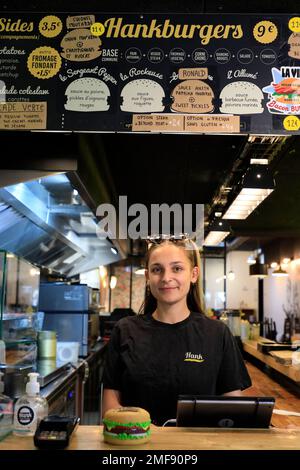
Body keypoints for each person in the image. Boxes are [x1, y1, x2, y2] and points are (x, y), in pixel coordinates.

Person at [102, 236, 251, 425]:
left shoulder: (217, 334)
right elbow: (109, 405)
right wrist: (139, 430)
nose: (166, 278)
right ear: (148, 276)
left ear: (194, 274)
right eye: (157, 269)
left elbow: (233, 407)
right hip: (137, 446)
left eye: (177, 268)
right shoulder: (124, 330)